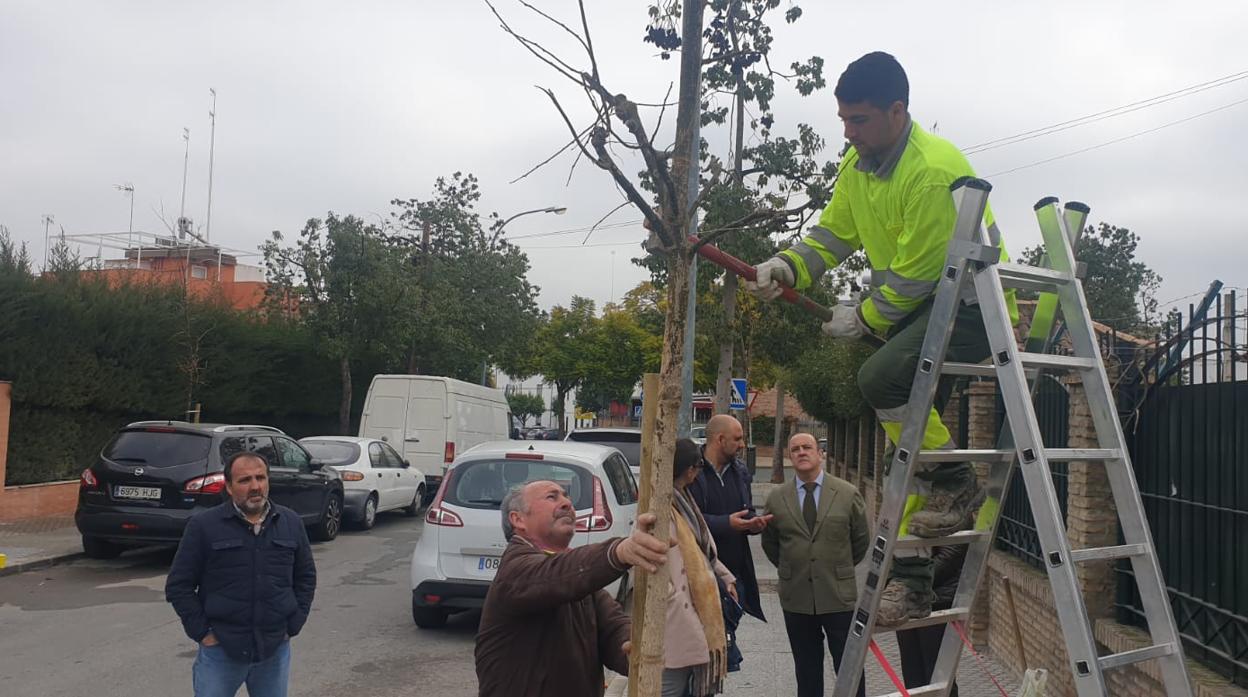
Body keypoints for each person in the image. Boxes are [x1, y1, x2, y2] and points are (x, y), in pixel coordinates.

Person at [746, 51, 1016, 626]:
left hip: (970, 307)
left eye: (859, 120)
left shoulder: (933, 171)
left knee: (881, 378)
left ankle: (956, 478)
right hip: (923, 311)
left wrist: (862, 319)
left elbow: (916, 276)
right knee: (908, 454)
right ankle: (917, 580)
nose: (848, 131)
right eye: (843, 119)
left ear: (897, 111)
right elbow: (833, 235)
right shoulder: (859, 165)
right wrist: (788, 266)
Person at [474, 479, 670, 697]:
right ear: (518, 519)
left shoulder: (575, 577)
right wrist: (618, 552)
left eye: (566, 496)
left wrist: (632, 649)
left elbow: (611, 627)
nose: (567, 503)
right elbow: (555, 576)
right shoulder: (516, 569)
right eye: (552, 496)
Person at [165, 451, 316, 697]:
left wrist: (294, 622)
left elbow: (305, 577)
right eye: (245, 480)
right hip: (221, 650)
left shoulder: (290, 522)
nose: (255, 486)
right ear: (229, 486)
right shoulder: (204, 526)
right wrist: (203, 632)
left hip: (274, 649)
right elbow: (178, 585)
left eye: (260, 478)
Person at [761, 433, 870, 697]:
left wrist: (833, 566)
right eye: (795, 449)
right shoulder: (777, 498)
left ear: (820, 453)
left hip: (837, 595)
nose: (801, 452)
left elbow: (860, 540)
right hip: (796, 596)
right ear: (790, 456)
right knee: (807, 670)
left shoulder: (846, 493)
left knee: (849, 667)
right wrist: (796, 566)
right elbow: (771, 544)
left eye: (807, 447)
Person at [664, 438, 738, 697]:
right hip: (677, 610)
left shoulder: (683, 499)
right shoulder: (663, 505)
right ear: (688, 469)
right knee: (671, 686)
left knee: (690, 682)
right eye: (697, 467)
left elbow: (703, 550)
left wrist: (726, 578)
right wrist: (672, 596)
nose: (697, 474)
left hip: (696, 603)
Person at [687, 413, 772, 622]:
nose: (742, 444)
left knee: (727, 640)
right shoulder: (691, 472)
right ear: (719, 439)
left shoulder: (740, 471)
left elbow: (746, 510)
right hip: (701, 573)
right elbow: (686, 520)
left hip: (735, 576)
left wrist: (753, 524)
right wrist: (727, 523)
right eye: (737, 439)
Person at [897, 545, 967, 695]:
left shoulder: (948, 522)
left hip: (936, 599)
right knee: (913, 673)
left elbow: (951, 554)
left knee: (938, 673)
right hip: (905, 599)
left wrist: (913, 580)